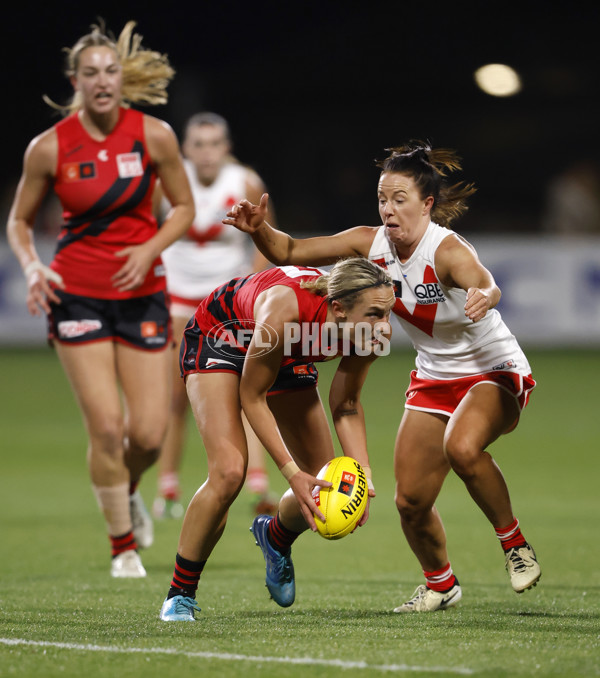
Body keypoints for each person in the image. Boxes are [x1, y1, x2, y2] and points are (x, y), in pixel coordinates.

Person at [223, 140, 542, 612]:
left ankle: (514, 545)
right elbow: (288, 248)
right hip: (434, 377)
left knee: (462, 447)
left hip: (491, 369)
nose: (388, 209)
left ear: (427, 204)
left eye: (400, 199)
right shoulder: (369, 244)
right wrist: (258, 230)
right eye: (381, 198)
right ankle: (440, 586)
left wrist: (487, 296)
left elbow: (485, 281)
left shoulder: (445, 249)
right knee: (409, 501)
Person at [6, 20, 195, 578]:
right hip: (76, 296)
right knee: (108, 428)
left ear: (122, 77)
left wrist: (150, 248)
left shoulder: (154, 135)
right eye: (90, 73)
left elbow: (182, 208)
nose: (102, 80)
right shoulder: (49, 147)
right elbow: (18, 221)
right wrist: (33, 265)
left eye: (110, 71)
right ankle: (122, 547)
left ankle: (127, 486)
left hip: (142, 294)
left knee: (151, 435)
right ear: (76, 81)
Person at [159, 257, 394, 621]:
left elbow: (346, 405)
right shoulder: (285, 308)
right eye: (376, 314)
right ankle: (180, 594)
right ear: (339, 309)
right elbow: (252, 397)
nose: (386, 327)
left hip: (285, 353)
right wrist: (288, 472)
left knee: (324, 486)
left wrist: (362, 472)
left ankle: (276, 537)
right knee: (229, 473)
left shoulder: (370, 335)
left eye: (389, 314)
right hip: (222, 335)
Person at [151, 111, 278, 521]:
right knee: (175, 395)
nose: (207, 153)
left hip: (227, 306)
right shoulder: (168, 180)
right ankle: (167, 486)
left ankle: (257, 482)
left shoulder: (245, 182)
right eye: (198, 144)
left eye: (214, 144)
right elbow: (145, 229)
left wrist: (253, 292)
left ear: (227, 148)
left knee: (246, 389)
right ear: (186, 149)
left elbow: (267, 239)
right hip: (177, 300)